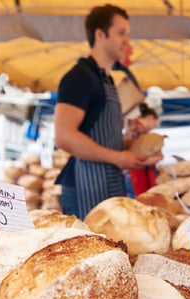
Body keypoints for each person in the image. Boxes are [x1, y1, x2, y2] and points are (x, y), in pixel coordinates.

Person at [53, 4, 160, 218]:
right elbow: (64, 137)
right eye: (121, 33)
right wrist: (117, 157)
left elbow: (99, 138)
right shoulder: (80, 77)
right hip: (85, 185)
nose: (126, 41)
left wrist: (132, 147)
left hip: (107, 183)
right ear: (100, 34)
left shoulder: (107, 80)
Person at [123, 102, 161, 196]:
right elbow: (134, 153)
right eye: (155, 123)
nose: (154, 126)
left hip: (135, 172)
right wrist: (154, 158)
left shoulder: (134, 127)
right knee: (139, 202)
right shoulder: (137, 128)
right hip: (135, 173)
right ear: (150, 118)